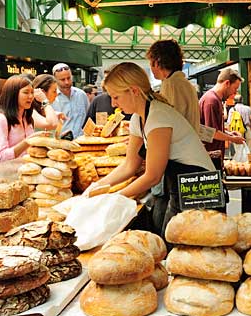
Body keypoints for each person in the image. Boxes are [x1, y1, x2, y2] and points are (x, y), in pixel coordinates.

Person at [87, 62, 214, 234]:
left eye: (116, 97)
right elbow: (129, 165)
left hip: (201, 188)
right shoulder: (137, 119)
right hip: (181, 186)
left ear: (133, 91)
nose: (113, 104)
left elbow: (153, 176)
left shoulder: (158, 116)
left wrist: (115, 198)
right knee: (172, 247)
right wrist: (95, 187)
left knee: (188, 251)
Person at [147, 39, 200, 131]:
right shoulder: (183, 83)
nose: (150, 68)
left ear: (157, 62)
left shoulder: (172, 84)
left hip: (179, 144)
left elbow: (170, 124)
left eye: (150, 63)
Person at [199, 68, 245, 170]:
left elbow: (213, 129)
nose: (235, 93)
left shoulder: (215, 99)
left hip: (213, 157)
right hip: (210, 159)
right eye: (235, 88)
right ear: (227, 83)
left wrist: (229, 133)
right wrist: (232, 139)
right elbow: (212, 133)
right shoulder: (211, 100)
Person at [0, 75, 37, 163]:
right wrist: (28, 141)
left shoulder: (27, 118)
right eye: (26, 92)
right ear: (13, 94)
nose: (30, 96)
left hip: (26, 171)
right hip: (5, 174)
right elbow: (1, 157)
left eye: (32, 92)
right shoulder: (1, 120)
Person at [51, 63, 88, 139]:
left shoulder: (81, 95)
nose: (67, 82)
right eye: (62, 80)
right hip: (61, 143)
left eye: (69, 78)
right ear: (55, 80)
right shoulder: (51, 98)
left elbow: (88, 117)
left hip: (81, 142)